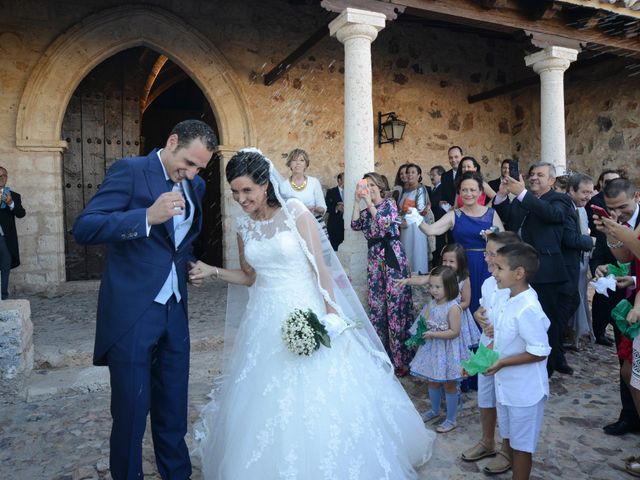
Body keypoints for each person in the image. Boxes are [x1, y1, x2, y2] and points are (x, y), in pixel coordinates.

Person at [189, 149, 435, 479]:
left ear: (265, 184)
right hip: (263, 318)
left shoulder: (294, 212)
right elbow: (250, 276)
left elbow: (321, 268)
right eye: (234, 191)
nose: (240, 198)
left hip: (304, 310)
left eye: (247, 190)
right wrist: (213, 271)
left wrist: (332, 315)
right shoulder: (243, 226)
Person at [72, 119, 217, 479]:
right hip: (133, 312)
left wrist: (191, 264)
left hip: (175, 312)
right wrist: (146, 217)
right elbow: (85, 227)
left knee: (173, 410)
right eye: (189, 162)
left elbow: (177, 243)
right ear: (171, 141)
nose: (193, 173)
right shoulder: (131, 171)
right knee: (131, 412)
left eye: (200, 167)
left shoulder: (194, 184)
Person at [493, 161, 573, 377]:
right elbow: (509, 218)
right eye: (532, 174)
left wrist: (522, 195)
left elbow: (553, 215)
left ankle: (547, 365)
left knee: (547, 320)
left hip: (547, 271)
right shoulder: (522, 199)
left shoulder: (560, 199)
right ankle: (526, 356)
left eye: (540, 174)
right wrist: (501, 197)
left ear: (551, 180)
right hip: (520, 270)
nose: (534, 177)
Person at [485, 242, 551, 480]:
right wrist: (478, 361)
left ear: (519, 273)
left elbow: (539, 351)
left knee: (522, 447)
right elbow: (500, 339)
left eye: (499, 268)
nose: (494, 273)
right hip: (507, 388)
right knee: (511, 439)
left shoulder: (528, 307)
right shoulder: (506, 298)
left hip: (525, 392)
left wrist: (502, 363)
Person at [461, 231, 522, 476]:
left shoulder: (515, 287)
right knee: (485, 396)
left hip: (505, 351)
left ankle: (507, 450)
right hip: (487, 344)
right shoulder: (489, 281)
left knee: (503, 399)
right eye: (486, 252)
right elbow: (484, 307)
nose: (486, 258)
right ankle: (487, 441)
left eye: (492, 254)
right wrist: (479, 314)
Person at [406, 172, 504, 315]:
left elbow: (504, 242)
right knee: (463, 305)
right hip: (462, 267)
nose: (468, 193)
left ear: (480, 192)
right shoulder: (454, 214)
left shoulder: (491, 213)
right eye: (464, 190)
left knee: (486, 304)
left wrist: (492, 237)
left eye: (472, 190)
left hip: (487, 266)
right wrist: (416, 218)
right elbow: (430, 230)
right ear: (459, 192)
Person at [351, 172, 414, 376]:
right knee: (377, 306)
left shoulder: (389, 204)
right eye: (365, 185)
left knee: (396, 306)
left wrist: (369, 204)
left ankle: (400, 361)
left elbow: (383, 222)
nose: (368, 188)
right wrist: (355, 202)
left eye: (371, 184)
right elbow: (355, 225)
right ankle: (382, 356)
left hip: (392, 256)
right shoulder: (366, 207)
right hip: (374, 258)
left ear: (379, 186)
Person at [592, 178, 640, 436]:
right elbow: (625, 257)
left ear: (637, 197)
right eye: (612, 209)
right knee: (626, 364)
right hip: (631, 300)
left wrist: (625, 235)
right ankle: (630, 416)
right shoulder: (619, 224)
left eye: (623, 207)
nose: (618, 214)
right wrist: (612, 234)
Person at [408, 265, 469, 433]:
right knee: (433, 380)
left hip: (447, 351)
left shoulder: (453, 307)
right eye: (431, 286)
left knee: (449, 384)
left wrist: (434, 334)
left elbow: (454, 332)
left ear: (449, 287)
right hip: (433, 350)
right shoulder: (432, 304)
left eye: (437, 287)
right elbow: (423, 321)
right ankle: (434, 410)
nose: (433, 290)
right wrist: (417, 335)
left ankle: (451, 419)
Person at [563, 173, 596, 348]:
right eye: (584, 192)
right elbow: (570, 238)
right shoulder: (566, 207)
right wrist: (591, 242)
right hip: (564, 263)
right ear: (571, 190)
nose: (588, 197)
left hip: (575, 262)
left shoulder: (578, 208)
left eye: (590, 193)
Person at [441, 243, 481, 352]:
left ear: (460, 263)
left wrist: (453, 309)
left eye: (451, 261)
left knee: (457, 343)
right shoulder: (439, 276)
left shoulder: (463, 279)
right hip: (440, 315)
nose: (447, 264)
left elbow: (466, 302)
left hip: (457, 316)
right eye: (444, 261)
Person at [279, 148, 327, 226]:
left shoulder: (314, 182)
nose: (298, 163)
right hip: (294, 226)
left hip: (314, 224)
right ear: (289, 164)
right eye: (294, 160)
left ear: (306, 164)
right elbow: (281, 211)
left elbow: (322, 207)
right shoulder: (283, 186)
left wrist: (315, 209)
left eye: (301, 160)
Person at [398, 163, 430, 274]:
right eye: (408, 172)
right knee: (406, 253)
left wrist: (409, 210)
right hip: (404, 226)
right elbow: (399, 209)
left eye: (413, 172)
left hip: (416, 227)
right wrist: (400, 220)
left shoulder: (421, 189)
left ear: (418, 175)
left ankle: (419, 278)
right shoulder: (404, 190)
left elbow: (421, 210)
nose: (410, 175)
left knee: (417, 253)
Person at [0, 166, 26, 300]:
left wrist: (10, 204)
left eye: (3, 175)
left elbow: (21, 213)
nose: (1, 178)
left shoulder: (14, 195)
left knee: (5, 267)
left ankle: (3, 297)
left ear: (6, 178)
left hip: (5, 238)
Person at [427, 165, 447, 266]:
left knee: (439, 247)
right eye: (430, 175)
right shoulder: (434, 189)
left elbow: (433, 203)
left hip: (439, 221)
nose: (431, 177)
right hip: (434, 222)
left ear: (441, 176)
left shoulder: (443, 187)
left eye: (433, 175)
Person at [325, 172, 344, 251]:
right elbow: (327, 207)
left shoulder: (352, 191)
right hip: (334, 225)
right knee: (334, 249)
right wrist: (336, 208)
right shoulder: (331, 192)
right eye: (345, 179)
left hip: (347, 226)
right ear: (339, 180)